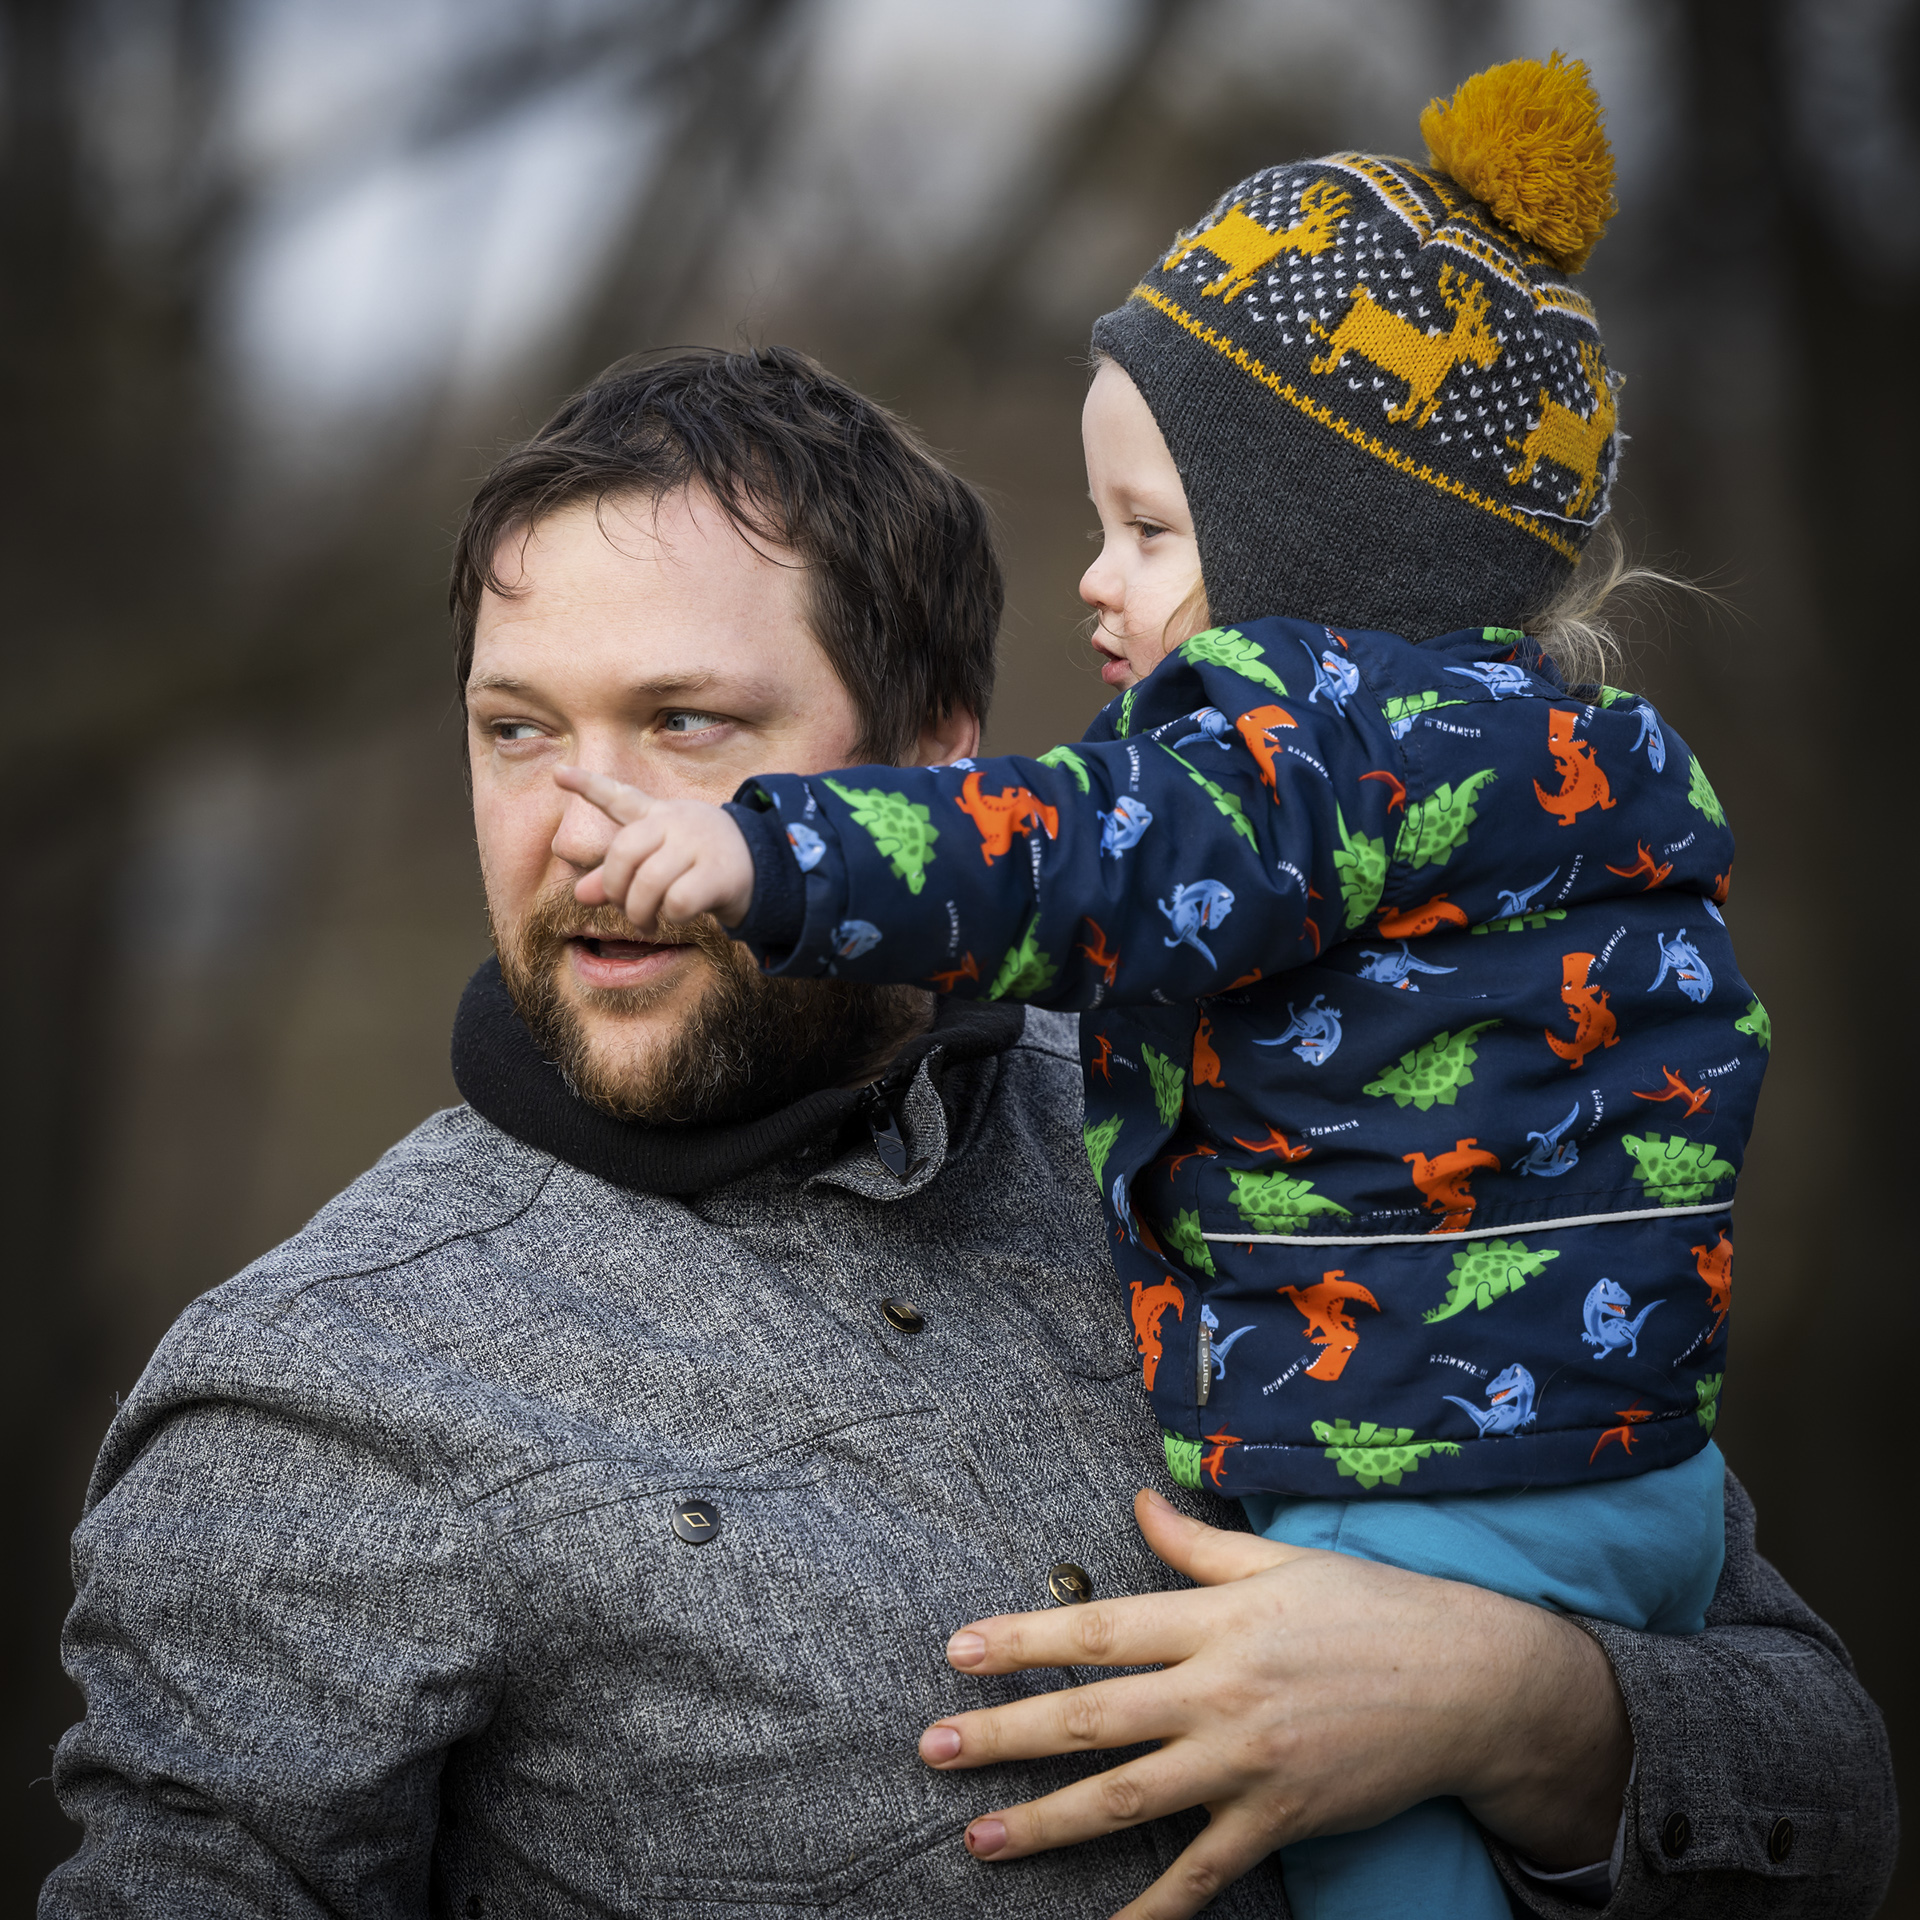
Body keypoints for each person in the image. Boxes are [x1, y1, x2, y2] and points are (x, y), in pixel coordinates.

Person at [41, 346, 1893, 1920]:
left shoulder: (1295, 1089)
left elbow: (1833, 1782)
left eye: (685, 725)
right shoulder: (320, 1391)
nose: (580, 826)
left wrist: (1525, 1709)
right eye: (517, 732)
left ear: (942, 768)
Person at [540, 62, 1768, 1920]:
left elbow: (1080, 850)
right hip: (1633, 1471)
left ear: (1318, 560)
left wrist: (773, 856)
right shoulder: (1584, 772)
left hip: (1417, 1488)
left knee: (1358, 1863)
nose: (1099, 591)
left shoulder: (1304, 758)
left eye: (1153, 531)